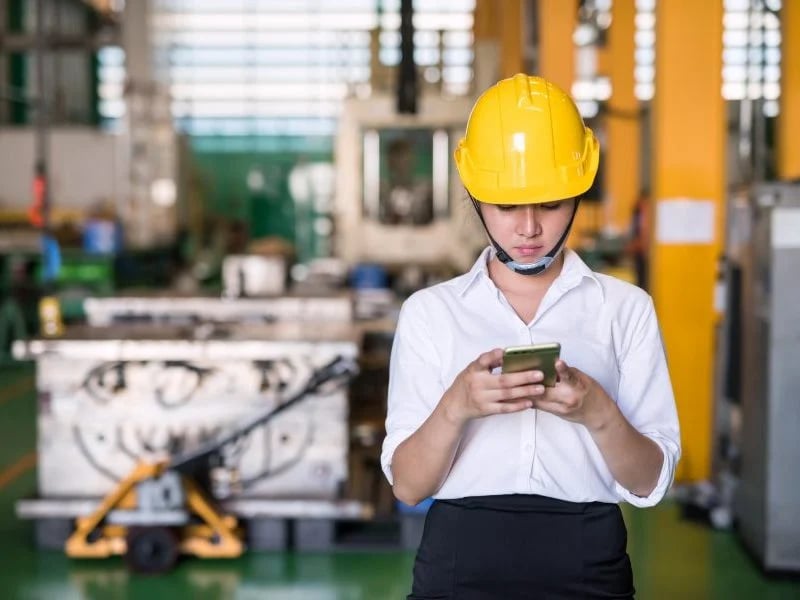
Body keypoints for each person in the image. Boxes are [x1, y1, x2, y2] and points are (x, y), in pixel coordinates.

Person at [381, 74, 681, 599]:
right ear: (475, 198)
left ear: (579, 193)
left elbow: (648, 481)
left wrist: (598, 411)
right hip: (458, 568)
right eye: (506, 207)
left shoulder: (625, 309)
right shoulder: (431, 313)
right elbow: (409, 486)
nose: (527, 229)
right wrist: (456, 406)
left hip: (588, 566)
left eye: (549, 204)